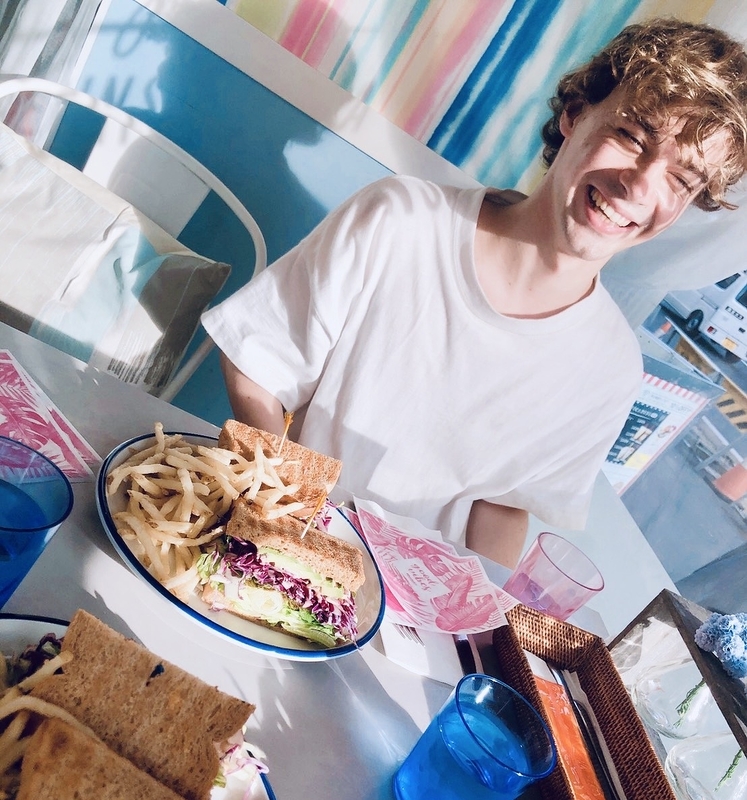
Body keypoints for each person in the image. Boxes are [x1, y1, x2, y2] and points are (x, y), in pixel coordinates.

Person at [202, 18, 747, 568]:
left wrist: (479, 611)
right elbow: (256, 364)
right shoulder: (400, 221)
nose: (640, 185)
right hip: (278, 546)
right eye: (632, 137)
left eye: (682, 179)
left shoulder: (610, 368)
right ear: (576, 113)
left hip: (410, 599)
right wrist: (287, 515)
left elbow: (502, 505)